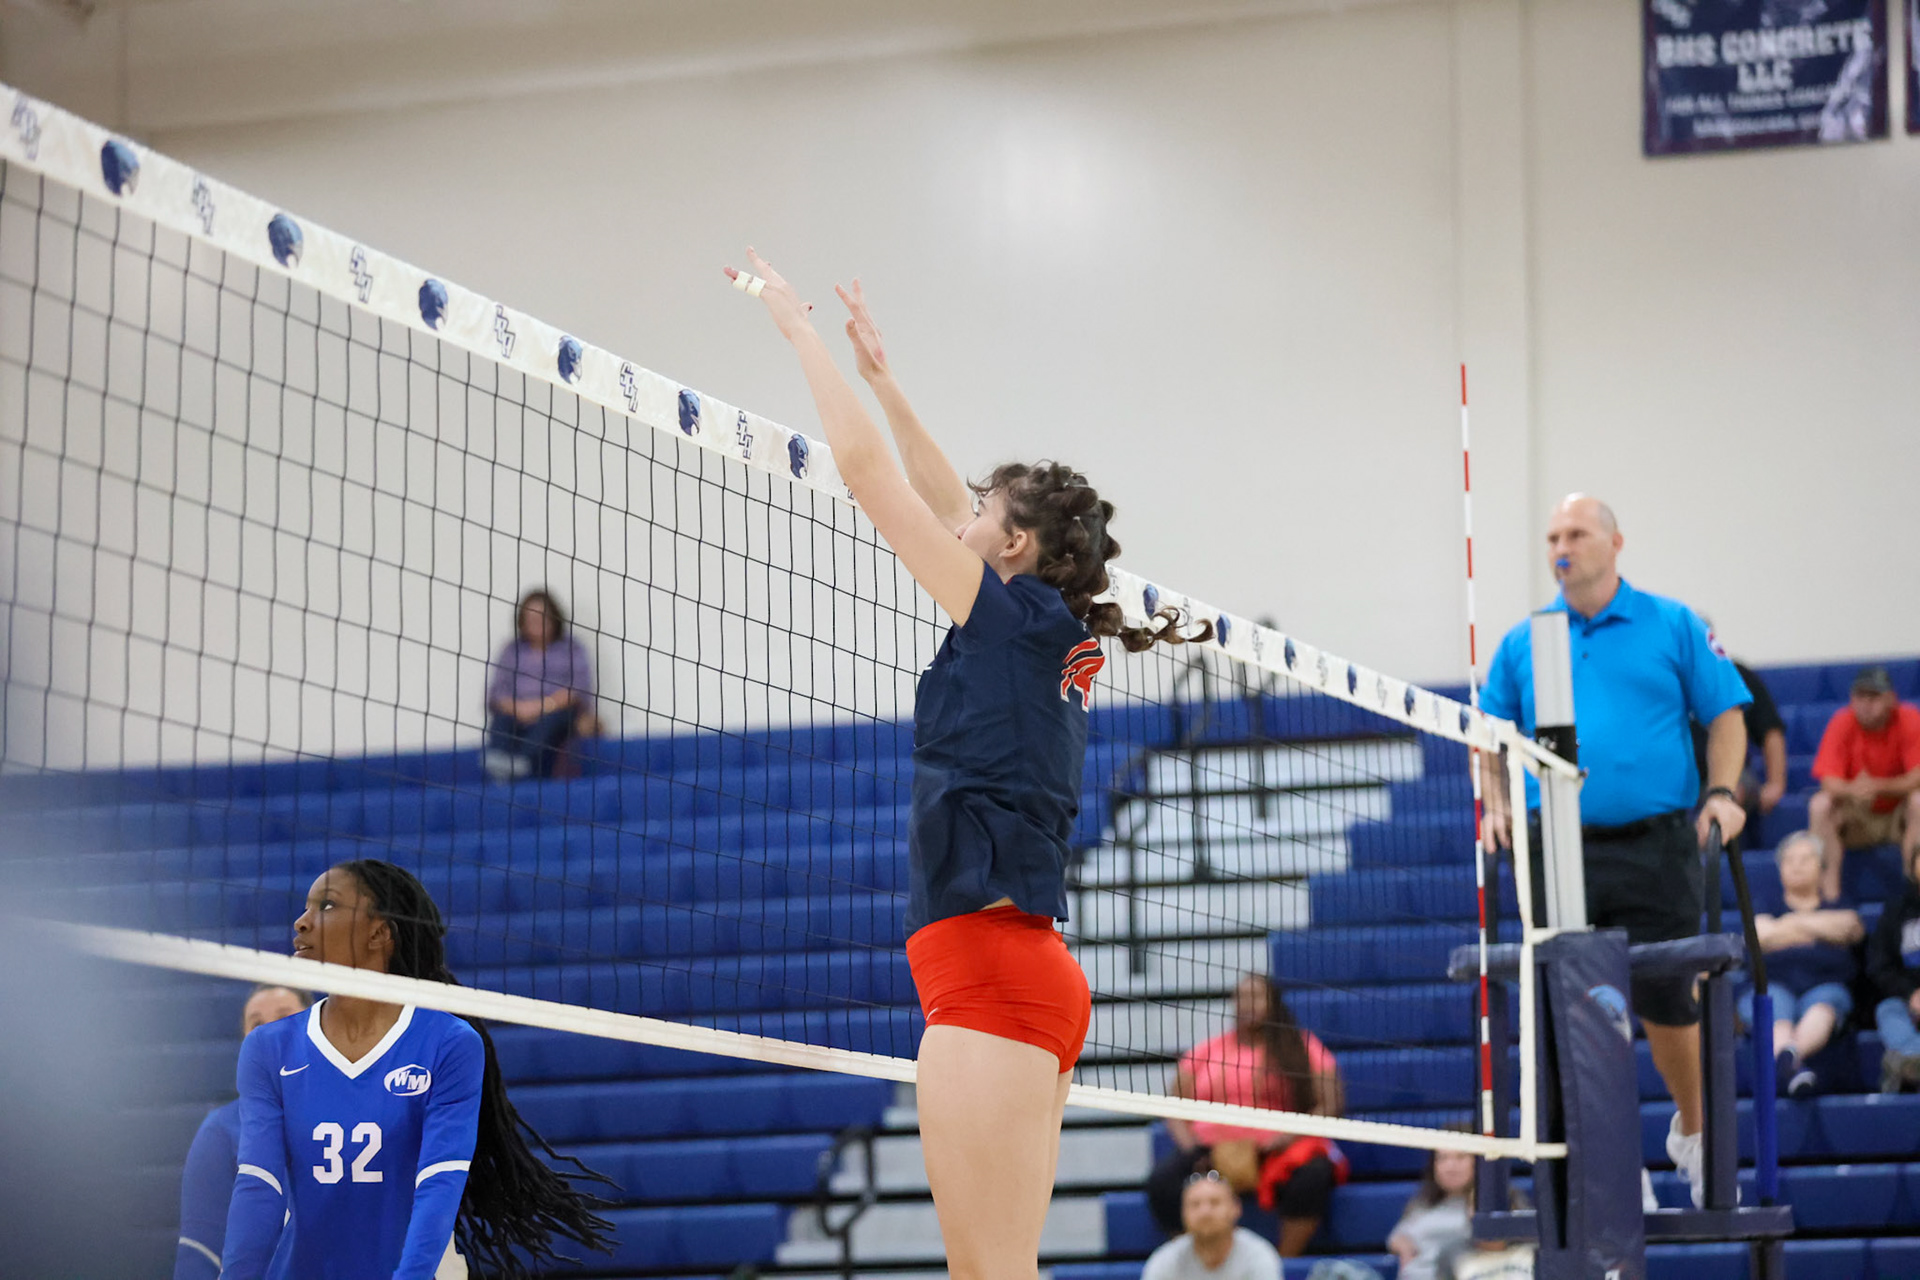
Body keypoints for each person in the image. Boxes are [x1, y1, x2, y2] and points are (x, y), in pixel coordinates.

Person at [728, 253, 1203, 1280]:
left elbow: (870, 480)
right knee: (998, 1273)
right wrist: (887, 379)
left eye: (985, 513)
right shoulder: (1040, 622)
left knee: (985, 1275)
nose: (965, 518)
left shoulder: (1011, 621)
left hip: (989, 977)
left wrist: (795, 330)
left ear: (1016, 542)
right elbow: (950, 500)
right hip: (1018, 971)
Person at [1478, 494, 1751, 1207]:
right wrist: (1499, 802)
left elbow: (1725, 715)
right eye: (1551, 536)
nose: (1561, 546)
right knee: (1579, 1006)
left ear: (1615, 542)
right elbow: (1490, 734)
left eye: (1575, 532)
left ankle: (1693, 1132)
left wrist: (1721, 792)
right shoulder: (1525, 641)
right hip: (1555, 845)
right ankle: (1606, 1160)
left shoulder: (1671, 622)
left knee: (1666, 996)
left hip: (1656, 844)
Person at [221, 860, 613, 1279]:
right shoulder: (268, 1047)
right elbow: (259, 1186)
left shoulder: (448, 1042)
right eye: (306, 907)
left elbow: (439, 1184)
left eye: (328, 906)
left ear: (379, 932)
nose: (301, 923)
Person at [1147, 974, 1346, 1256]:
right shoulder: (1208, 1050)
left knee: (1313, 1175)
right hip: (1211, 1154)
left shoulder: (1301, 1047)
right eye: (1240, 997)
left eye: (1255, 996)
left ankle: (1282, 1262)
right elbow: (1174, 1107)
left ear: (1273, 1003)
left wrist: (1287, 1138)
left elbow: (1331, 1102)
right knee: (1163, 1183)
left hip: (1279, 1151)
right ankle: (1200, 1258)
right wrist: (1192, 1148)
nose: (1246, 1004)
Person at [175, 985, 311, 1279]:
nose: (269, 1031)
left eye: (284, 1016)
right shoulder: (221, 1130)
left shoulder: (354, 1112)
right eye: (256, 1024)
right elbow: (199, 1250)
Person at [1743, 832, 1863, 1098]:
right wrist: (1820, 929)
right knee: (1772, 1005)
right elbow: (1760, 935)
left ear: (1821, 867)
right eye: (1789, 860)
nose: (1796, 865)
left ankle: (1790, 1058)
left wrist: (1787, 925)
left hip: (1825, 984)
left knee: (1825, 1003)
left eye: (1805, 859)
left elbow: (1851, 927)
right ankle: (1791, 1062)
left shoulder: (1838, 902)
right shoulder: (1766, 903)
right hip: (1774, 984)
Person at [1808, 665, 1920, 901]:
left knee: (1919, 801)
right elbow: (1829, 781)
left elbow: (1917, 776)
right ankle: (1828, 895)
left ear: (1891, 698)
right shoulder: (1842, 721)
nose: (1866, 704)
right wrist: (1854, 790)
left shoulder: (1909, 718)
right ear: (1851, 699)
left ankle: (1914, 889)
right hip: (1856, 814)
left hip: (1897, 814)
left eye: (1874, 696)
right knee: (1820, 805)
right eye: (1861, 696)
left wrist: (1878, 786)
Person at [1689, 630, 1788, 853]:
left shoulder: (1734, 674)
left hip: (1730, 774)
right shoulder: (1666, 677)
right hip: (1681, 776)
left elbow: (1771, 731)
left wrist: (1776, 783)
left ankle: (1710, 864)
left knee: (1731, 791)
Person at [483, 589, 596, 781]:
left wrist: (543, 706)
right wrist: (520, 709)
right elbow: (497, 693)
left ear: (554, 618)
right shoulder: (512, 651)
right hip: (517, 713)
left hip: (556, 711)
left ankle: (524, 761)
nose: (537, 624)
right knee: (501, 720)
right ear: (522, 622)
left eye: (542, 617)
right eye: (531, 619)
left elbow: (578, 689)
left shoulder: (571, 648)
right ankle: (499, 765)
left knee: (555, 720)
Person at [1141, 1171, 1283, 1280]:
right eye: (1195, 1205)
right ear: (1183, 1213)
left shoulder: (1258, 1256)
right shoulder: (1165, 1262)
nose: (1205, 1212)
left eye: (1214, 1202)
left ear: (1236, 1208)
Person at [1866, 844, 1920, 1093]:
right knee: (1888, 1010)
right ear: (1912, 868)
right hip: (1905, 1001)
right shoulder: (1896, 911)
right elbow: (1880, 966)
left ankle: (1906, 1067)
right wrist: (1910, 994)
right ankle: (1912, 1059)